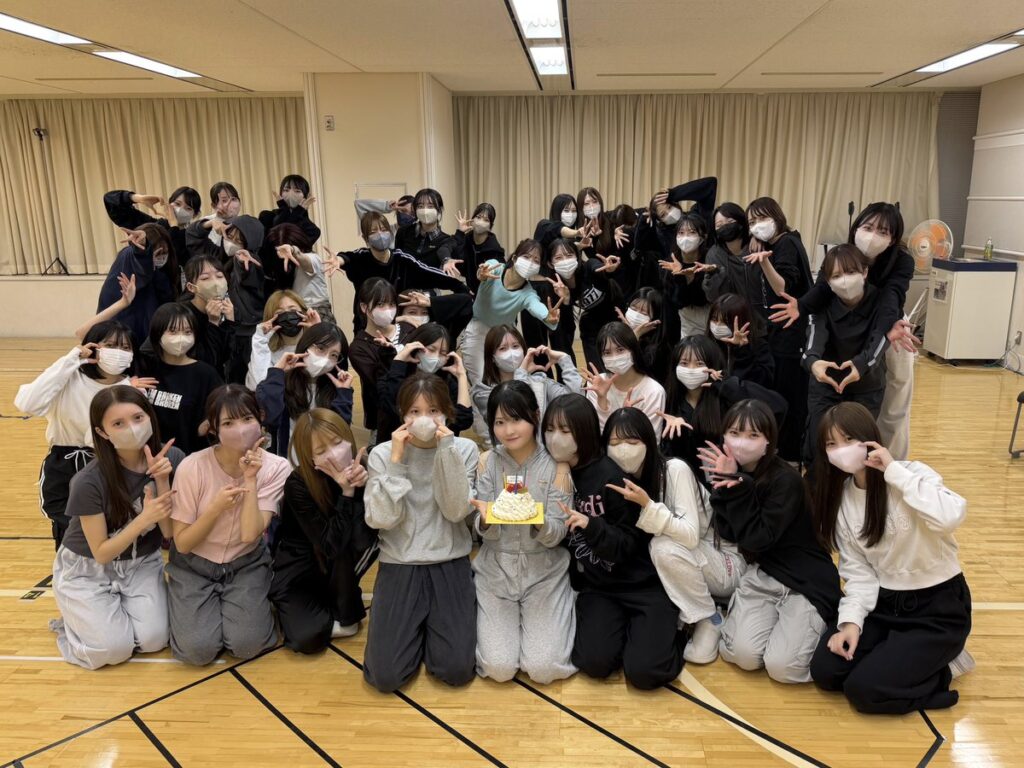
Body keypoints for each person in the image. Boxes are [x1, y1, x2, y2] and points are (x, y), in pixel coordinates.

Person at [808, 402, 973, 713]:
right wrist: (851, 624)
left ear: (870, 438)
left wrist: (894, 472)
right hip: (885, 605)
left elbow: (951, 516)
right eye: (831, 444)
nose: (841, 450)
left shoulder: (911, 474)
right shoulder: (843, 500)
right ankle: (898, 659)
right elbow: (858, 573)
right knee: (826, 671)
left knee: (864, 691)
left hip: (937, 608)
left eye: (848, 439)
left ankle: (946, 668)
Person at [543, 393, 683, 689]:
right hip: (599, 588)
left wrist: (591, 526)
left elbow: (629, 545)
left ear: (584, 432)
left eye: (565, 430)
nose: (555, 438)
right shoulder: (552, 471)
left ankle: (672, 630)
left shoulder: (610, 475)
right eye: (550, 429)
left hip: (641, 583)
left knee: (644, 673)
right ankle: (631, 636)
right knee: (593, 663)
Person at [698, 400, 840, 683]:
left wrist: (739, 488)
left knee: (782, 668)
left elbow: (758, 538)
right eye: (734, 433)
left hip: (804, 578)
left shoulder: (786, 480)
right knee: (744, 656)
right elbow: (728, 532)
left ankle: (816, 621)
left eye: (753, 435)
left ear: (768, 441)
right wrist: (726, 485)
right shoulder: (731, 473)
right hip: (764, 573)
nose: (742, 442)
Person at [771, 202, 917, 460]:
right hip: (847, 319)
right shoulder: (842, 254)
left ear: (893, 238)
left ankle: (892, 464)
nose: (872, 236)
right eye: (868, 227)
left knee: (895, 399)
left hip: (891, 322)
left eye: (882, 231)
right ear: (856, 227)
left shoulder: (902, 261)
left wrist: (885, 331)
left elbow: (892, 297)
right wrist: (801, 306)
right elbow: (823, 288)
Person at [50, 386, 181, 669]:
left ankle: (104, 615)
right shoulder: (88, 481)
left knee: (154, 640)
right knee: (113, 650)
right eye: (118, 423)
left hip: (141, 562)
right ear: (102, 432)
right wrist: (144, 519)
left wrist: (162, 481)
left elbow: (169, 533)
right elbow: (101, 553)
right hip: (88, 568)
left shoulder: (173, 458)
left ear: (150, 417)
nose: (132, 428)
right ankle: (71, 624)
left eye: (138, 418)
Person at [363, 374, 479, 692]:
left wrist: (446, 451)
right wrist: (396, 463)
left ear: (447, 413)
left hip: (450, 561)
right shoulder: (382, 454)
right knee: (385, 677)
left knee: (457, 670)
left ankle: (432, 629)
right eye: (414, 411)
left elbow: (455, 510)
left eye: (433, 410)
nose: (424, 419)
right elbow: (382, 519)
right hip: (399, 563)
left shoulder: (464, 449)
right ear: (402, 415)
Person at [603, 407, 745, 664]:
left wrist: (648, 506)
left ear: (649, 441)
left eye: (632, 442)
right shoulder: (622, 479)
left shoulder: (674, 469)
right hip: (694, 566)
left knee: (662, 547)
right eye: (614, 443)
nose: (623, 449)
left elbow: (690, 536)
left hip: (724, 564)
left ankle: (709, 618)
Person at [168, 385, 291, 665]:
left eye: (247, 419)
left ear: (260, 420)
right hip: (193, 565)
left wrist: (250, 479)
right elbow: (183, 543)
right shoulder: (192, 466)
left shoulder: (277, 467)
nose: (240, 429)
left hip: (245, 563)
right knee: (197, 651)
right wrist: (215, 508)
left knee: (248, 644)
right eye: (228, 423)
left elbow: (249, 535)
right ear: (213, 428)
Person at [471, 381, 575, 683]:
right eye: (500, 422)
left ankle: (565, 607)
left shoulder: (557, 465)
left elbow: (558, 533)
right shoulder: (488, 462)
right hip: (496, 571)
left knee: (544, 668)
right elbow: (482, 529)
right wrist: (485, 521)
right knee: (498, 668)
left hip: (544, 571)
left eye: (516, 419)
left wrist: (538, 521)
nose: (508, 430)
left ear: (535, 416)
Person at [15, 317, 137, 546]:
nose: (118, 352)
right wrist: (71, 359)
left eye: (125, 347)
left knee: (107, 534)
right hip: (63, 464)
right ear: (93, 346)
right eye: (110, 345)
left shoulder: (131, 389)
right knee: (67, 533)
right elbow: (27, 403)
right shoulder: (69, 377)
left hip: (109, 465)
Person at [271, 409, 378, 654]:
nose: (333, 454)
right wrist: (346, 494)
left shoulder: (363, 468)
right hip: (301, 567)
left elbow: (362, 541)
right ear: (309, 458)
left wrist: (363, 489)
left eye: (338, 442)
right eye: (320, 451)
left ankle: (338, 605)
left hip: (340, 563)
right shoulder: (298, 483)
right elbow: (329, 544)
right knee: (306, 639)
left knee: (347, 623)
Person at [462, 239, 564, 436]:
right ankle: (486, 435)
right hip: (478, 330)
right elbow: (482, 273)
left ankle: (510, 423)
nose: (530, 262)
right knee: (479, 382)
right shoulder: (494, 267)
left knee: (507, 382)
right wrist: (480, 275)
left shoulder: (528, 293)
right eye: (526, 257)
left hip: (504, 336)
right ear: (515, 258)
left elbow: (538, 309)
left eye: (536, 260)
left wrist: (549, 317)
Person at [801, 244, 889, 468]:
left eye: (851, 272)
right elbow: (814, 337)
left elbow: (880, 339)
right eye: (836, 276)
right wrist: (813, 362)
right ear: (828, 281)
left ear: (865, 272)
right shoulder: (822, 303)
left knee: (860, 447)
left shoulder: (882, 301)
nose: (845, 281)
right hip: (826, 383)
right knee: (819, 442)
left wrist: (862, 365)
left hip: (866, 385)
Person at [744, 197, 814, 462]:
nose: (757, 225)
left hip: (792, 334)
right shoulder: (778, 243)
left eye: (762, 218)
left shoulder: (786, 243)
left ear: (777, 217)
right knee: (781, 394)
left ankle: (791, 458)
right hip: (779, 333)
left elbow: (782, 286)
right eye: (752, 221)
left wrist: (764, 261)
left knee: (791, 399)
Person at [329, 211, 469, 337]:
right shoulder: (361, 257)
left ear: (390, 233)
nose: (380, 234)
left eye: (384, 230)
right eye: (373, 232)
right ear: (366, 238)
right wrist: (338, 260)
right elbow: (347, 257)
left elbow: (429, 272)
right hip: (366, 328)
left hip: (396, 328)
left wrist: (460, 287)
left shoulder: (402, 259)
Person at [255, 322, 353, 458]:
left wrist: (343, 393)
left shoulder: (337, 389)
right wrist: (277, 373)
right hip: (288, 460)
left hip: (323, 462)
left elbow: (340, 432)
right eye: (320, 348)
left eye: (334, 355)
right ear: (306, 345)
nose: (325, 359)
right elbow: (270, 418)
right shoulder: (281, 382)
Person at [137, 303, 223, 454]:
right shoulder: (145, 366)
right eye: (173, 331)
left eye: (188, 332)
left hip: (188, 456)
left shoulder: (205, 374)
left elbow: (222, 409)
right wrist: (127, 384)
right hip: (147, 455)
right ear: (157, 333)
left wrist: (206, 426)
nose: (181, 338)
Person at [471, 324, 583, 425]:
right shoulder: (483, 392)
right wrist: (521, 374)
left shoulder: (540, 381)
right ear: (492, 357)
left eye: (515, 346)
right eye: (503, 348)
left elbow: (574, 401)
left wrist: (564, 360)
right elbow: (517, 414)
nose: (512, 353)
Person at [378, 322, 473, 439]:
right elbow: (390, 408)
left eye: (443, 353)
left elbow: (464, 420)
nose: (436, 357)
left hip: (437, 445)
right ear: (416, 347)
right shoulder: (394, 376)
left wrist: (462, 376)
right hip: (399, 443)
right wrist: (399, 360)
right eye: (431, 349)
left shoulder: (448, 382)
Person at [348, 278, 415, 436]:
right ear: (364, 307)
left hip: (418, 409)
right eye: (380, 304)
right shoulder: (359, 348)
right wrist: (391, 355)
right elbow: (380, 384)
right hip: (386, 419)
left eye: (391, 304)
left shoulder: (408, 329)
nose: (388, 310)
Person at [96, 224, 177, 342]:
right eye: (156, 252)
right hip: (121, 332)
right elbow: (141, 262)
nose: (161, 257)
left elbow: (166, 297)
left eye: (164, 252)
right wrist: (144, 248)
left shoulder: (160, 271)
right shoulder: (128, 256)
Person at [584, 321, 665, 435]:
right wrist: (602, 400)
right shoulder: (597, 384)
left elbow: (651, 439)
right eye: (607, 352)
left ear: (633, 351)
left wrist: (626, 418)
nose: (614, 357)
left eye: (620, 350)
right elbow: (596, 434)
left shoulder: (654, 391)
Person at [102, 185, 200, 274]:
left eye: (188, 208)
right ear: (169, 204)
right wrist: (138, 198)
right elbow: (110, 200)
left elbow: (177, 258)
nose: (180, 210)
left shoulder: (194, 236)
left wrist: (174, 226)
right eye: (177, 204)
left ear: (195, 214)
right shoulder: (151, 227)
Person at [177, 255, 235, 379]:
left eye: (219, 276)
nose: (215, 283)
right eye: (205, 278)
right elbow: (206, 361)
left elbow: (226, 356)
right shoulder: (180, 314)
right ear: (191, 287)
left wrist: (230, 322)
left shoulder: (226, 308)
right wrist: (213, 323)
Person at [245, 290, 315, 391]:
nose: (287, 316)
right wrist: (260, 341)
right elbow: (258, 386)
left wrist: (317, 331)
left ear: (303, 313)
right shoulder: (267, 354)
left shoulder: (315, 347)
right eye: (280, 313)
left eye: (292, 310)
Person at [266, 223, 333, 323]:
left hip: (317, 312)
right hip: (295, 314)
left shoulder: (313, 258)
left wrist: (293, 251)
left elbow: (305, 260)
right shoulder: (281, 267)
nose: (282, 254)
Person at [706, 292, 774, 388]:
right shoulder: (707, 345)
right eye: (714, 319)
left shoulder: (759, 346)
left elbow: (762, 382)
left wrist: (743, 351)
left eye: (725, 321)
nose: (717, 326)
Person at [394, 188, 458, 271]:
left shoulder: (445, 240)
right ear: (415, 210)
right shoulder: (403, 232)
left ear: (439, 210)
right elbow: (397, 260)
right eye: (420, 206)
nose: (425, 210)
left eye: (430, 206)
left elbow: (445, 258)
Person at [703, 202, 753, 303]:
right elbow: (713, 297)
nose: (725, 226)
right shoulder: (714, 254)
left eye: (730, 221)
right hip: (733, 309)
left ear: (741, 222)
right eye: (719, 225)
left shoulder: (757, 246)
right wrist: (715, 275)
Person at [451, 203, 505, 289]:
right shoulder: (466, 239)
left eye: (486, 220)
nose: (480, 222)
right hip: (470, 291)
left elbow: (500, 272)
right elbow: (457, 263)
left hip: (488, 292)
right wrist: (460, 233)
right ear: (472, 220)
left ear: (490, 226)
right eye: (478, 217)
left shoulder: (494, 250)